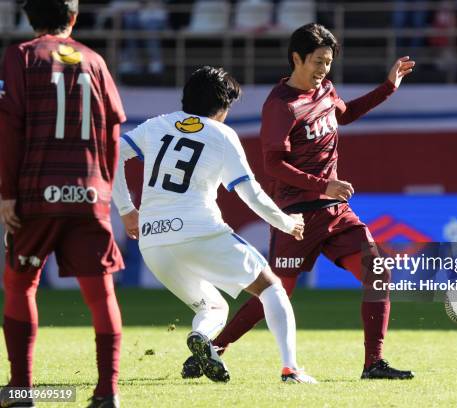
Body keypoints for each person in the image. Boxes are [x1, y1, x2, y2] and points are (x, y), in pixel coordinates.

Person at [195, 22, 417, 380]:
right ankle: (214, 347)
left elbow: (345, 114)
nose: (323, 70)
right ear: (296, 58)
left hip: (334, 213)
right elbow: (272, 164)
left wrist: (389, 87)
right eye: (317, 61)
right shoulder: (280, 106)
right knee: (275, 293)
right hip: (296, 217)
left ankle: (373, 364)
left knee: (378, 273)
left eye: (328, 62)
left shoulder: (326, 90)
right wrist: (321, 185)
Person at [112, 66, 317, 384]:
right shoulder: (222, 135)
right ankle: (291, 369)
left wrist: (126, 209)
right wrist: (286, 222)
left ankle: (202, 339)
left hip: (152, 241)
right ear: (223, 106)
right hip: (199, 231)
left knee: (213, 307)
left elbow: (111, 154)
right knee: (271, 287)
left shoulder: (156, 125)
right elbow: (252, 194)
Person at [0, 1, 125, 407]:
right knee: (102, 293)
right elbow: (114, 128)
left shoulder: (20, 56)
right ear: (74, 17)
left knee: (20, 284)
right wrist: (102, 188)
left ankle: (22, 392)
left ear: (28, 18)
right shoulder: (94, 59)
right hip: (89, 193)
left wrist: (6, 193)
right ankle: (107, 392)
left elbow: (9, 125)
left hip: (37, 192)